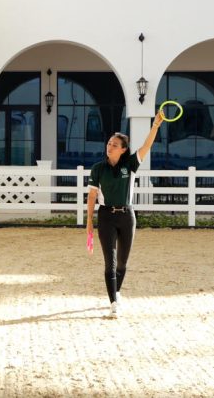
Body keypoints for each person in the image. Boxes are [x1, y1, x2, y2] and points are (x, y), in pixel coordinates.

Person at [86, 110, 164, 318]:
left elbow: (146, 146)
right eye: (109, 143)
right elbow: (92, 197)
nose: (109, 146)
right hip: (106, 216)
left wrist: (155, 125)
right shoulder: (97, 168)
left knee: (122, 262)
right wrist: (89, 223)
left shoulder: (129, 165)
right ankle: (113, 302)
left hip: (127, 216)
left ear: (123, 150)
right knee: (109, 262)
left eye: (114, 144)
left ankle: (116, 292)